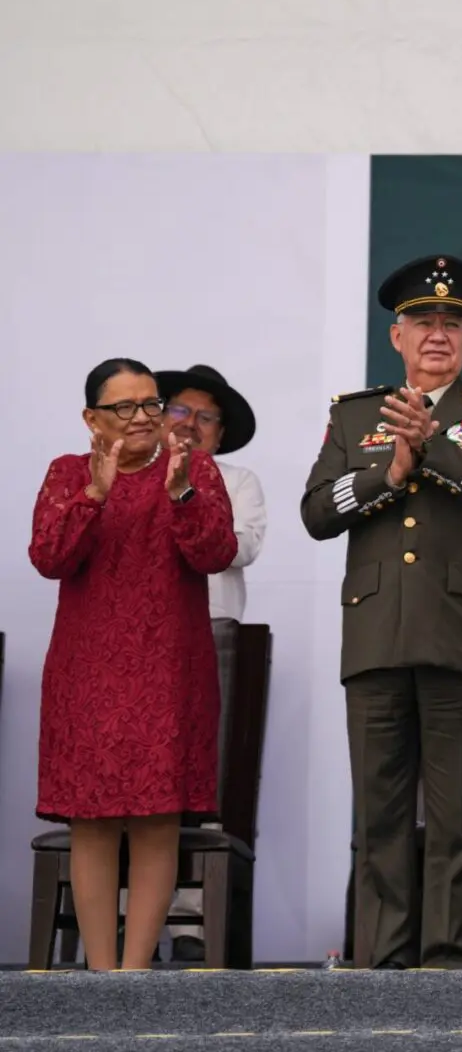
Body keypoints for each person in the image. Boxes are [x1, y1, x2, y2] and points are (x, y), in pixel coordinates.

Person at [302, 254, 462, 969]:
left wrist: (430, 452)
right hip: (375, 638)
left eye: (453, 323)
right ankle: (384, 962)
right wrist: (387, 471)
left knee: (456, 821)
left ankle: (450, 965)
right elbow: (316, 513)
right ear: (396, 337)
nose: (438, 334)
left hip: (461, 633)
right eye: (422, 322)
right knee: (379, 817)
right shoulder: (355, 415)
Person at [29, 357, 237, 971]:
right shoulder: (68, 473)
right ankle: (100, 974)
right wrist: (94, 493)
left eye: (152, 404)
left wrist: (180, 494)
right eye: (125, 407)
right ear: (93, 418)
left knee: (156, 819)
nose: (143, 417)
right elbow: (50, 556)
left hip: (170, 667)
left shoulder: (195, 469)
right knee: (92, 820)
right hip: (86, 670)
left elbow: (215, 552)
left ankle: (136, 974)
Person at [154, 363, 265, 963]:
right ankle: (127, 922)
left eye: (206, 418)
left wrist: (188, 495)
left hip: (210, 629)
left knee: (201, 779)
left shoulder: (237, 479)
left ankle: (192, 925)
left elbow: (240, 545)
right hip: (138, 638)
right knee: (136, 784)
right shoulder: (130, 472)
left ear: (220, 435)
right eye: (179, 411)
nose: (191, 426)